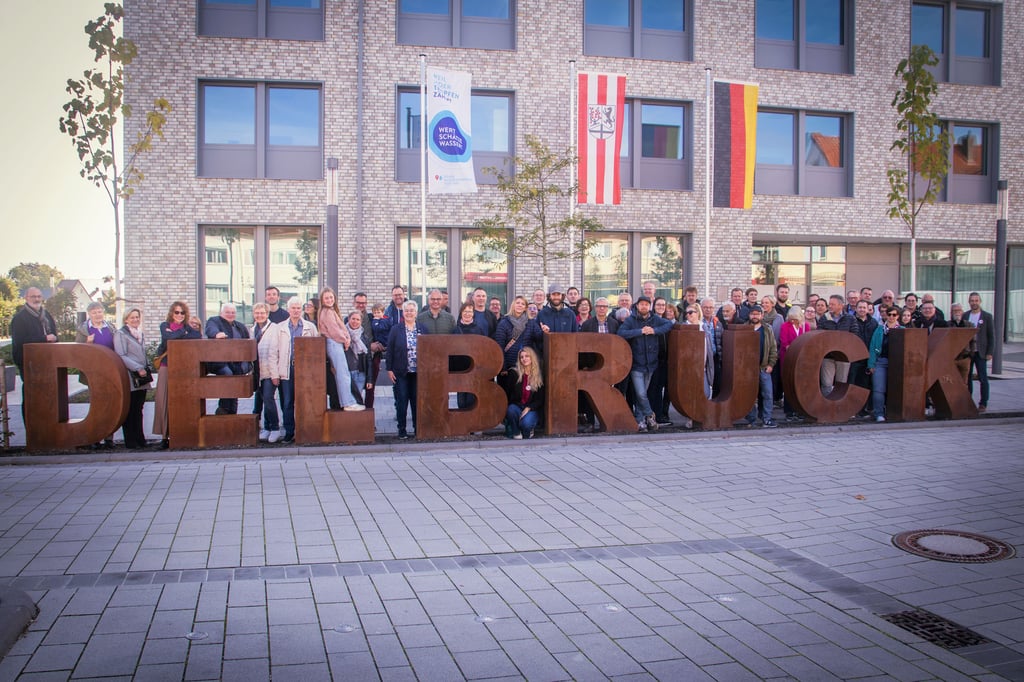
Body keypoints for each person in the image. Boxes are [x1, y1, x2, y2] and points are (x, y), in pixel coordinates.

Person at [618, 295, 674, 431]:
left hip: (651, 363)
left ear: (650, 306)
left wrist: (654, 331)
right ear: (637, 306)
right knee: (641, 394)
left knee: (640, 395)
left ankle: (640, 421)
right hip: (636, 364)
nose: (644, 307)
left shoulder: (655, 319)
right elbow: (621, 332)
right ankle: (650, 415)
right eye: (641, 304)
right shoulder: (631, 320)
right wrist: (640, 331)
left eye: (647, 304)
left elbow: (668, 325)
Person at [152, 301, 202, 449]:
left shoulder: (188, 328)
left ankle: (181, 435)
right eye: (176, 312)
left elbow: (197, 337)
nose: (179, 315)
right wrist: (181, 334)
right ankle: (164, 436)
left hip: (183, 369)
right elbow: (168, 339)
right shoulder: (164, 325)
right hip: (166, 367)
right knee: (163, 400)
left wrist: (178, 334)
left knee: (181, 402)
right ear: (171, 313)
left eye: (182, 313)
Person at [275, 297, 320, 443]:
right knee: (287, 401)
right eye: (293, 308)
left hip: (304, 370)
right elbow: (274, 351)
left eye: (298, 308)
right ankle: (289, 431)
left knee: (305, 400)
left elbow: (316, 350)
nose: (296, 310)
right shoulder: (280, 328)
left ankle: (305, 431)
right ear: (288, 310)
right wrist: (275, 373)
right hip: (287, 368)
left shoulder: (310, 327)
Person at [75, 301, 119, 448]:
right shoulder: (84, 330)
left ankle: (108, 438)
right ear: (89, 314)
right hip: (93, 373)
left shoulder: (111, 328)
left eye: (99, 311)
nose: (97, 315)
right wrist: (87, 343)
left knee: (110, 405)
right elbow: (77, 352)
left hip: (110, 372)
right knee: (96, 406)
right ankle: (94, 437)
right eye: (94, 312)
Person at [10, 287, 58, 418]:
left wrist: (54, 338)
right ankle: (31, 429)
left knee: (47, 396)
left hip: (47, 361)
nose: (37, 299)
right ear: (26, 298)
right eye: (33, 297)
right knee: (32, 397)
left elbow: (54, 334)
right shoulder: (20, 318)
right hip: (29, 363)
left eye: (39, 296)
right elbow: (20, 341)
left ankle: (46, 425)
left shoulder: (46, 315)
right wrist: (44, 338)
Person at [317, 286, 364, 411]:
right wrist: (346, 340)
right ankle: (347, 403)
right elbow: (334, 330)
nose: (329, 300)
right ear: (322, 299)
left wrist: (345, 338)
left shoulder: (331, 311)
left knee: (343, 373)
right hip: (334, 342)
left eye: (331, 297)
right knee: (343, 374)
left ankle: (347, 401)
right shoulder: (327, 313)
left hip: (335, 342)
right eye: (326, 298)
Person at [387, 301, 427, 439]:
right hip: (401, 371)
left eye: (412, 310)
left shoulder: (422, 328)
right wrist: (389, 369)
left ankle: (418, 429)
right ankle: (402, 430)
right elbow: (390, 350)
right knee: (402, 401)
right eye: (407, 310)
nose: (409, 313)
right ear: (403, 313)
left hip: (418, 373)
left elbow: (429, 349)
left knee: (416, 401)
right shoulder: (396, 329)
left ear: (416, 313)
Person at [205, 302, 252, 415]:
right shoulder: (214, 320)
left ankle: (232, 413)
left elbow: (247, 342)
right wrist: (216, 334)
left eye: (233, 312)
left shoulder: (239, 326)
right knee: (227, 375)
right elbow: (210, 329)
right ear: (221, 313)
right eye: (227, 312)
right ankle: (223, 408)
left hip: (236, 362)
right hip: (220, 362)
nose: (230, 314)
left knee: (235, 383)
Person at [113, 308, 150, 448]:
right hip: (131, 375)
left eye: (137, 317)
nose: (135, 320)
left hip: (142, 377)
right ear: (126, 319)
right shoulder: (121, 334)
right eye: (132, 317)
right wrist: (137, 368)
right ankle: (131, 440)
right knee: (130, 408)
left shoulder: (139, 334)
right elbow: (121, 355)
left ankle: (140, 439)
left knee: (139, 408)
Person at [251, 303, 283, 442]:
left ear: (267, 314)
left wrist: (275, 374)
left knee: (269, 398)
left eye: (262, 313)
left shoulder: (274, 328)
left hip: (270, 371)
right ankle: (267, 427)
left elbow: (274, 352)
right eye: (257, 313)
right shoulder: (252, 330)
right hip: (258, 372)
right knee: (261, 399)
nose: (260, 315)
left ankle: (275, 428)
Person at [743, 305, 778, 429]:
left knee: (768, 394)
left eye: (757, 314)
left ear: (762, 315)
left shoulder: (767, 329)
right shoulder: (744, 329)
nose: (755, 316)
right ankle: (751, 419)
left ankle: (766, 418)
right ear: (749, 315)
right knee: (749, 395)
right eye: (752, 314)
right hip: (748, 370)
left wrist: (771, 364)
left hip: (764, 367)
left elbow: (773, 348)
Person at [867, 305, 902, 422]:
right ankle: (879, 413)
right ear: (885, 315)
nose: (891, 317)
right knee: (878, 389)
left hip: (897, 363)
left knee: (896, 389)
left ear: (898, 316)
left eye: (894, 315)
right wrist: (871, 364)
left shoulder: (902, 330)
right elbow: (872, 347)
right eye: (889, 314)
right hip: (881, 361)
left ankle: (895, 413)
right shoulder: (879, 329)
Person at [502, 347, 545, 439]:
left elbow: (540, 399)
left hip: (531, 408)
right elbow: (507, 393)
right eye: (521, 357)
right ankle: (516, 432)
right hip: (517, 406)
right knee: (511, 410)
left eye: (527, 356)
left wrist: (529, 408)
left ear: (532, 358)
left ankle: (528, 429)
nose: (524, 359)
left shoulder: (538, 375)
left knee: (526, 425)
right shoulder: (514, 373)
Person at [494, 296, 544, 373]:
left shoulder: (531, 322)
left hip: (526, 364)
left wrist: (544, 331)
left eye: (523, 304)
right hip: (509, 365)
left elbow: (539, 337)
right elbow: (499, 346)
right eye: (517, 303)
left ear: (525, 308)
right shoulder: (504, 323)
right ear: (513, 305)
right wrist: (503, 367)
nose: (520, 305)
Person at [779, 306, 810, 422]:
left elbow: (807, 341)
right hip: (788, 358)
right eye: (791, 319)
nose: (793, 321)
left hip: (801, 360)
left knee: (799, 386)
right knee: (789, 385)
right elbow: (784, 342)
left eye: (795, 319)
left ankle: (799, 410)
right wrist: (793, 349)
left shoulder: (805, 327)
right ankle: (789, 411)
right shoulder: (785, 326)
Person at [967, 292, 994, 412]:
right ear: (969, 302)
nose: (974, 303)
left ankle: (983, 403)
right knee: (967, 378)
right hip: (969, 352)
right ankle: (968, 401)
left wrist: (990, 352)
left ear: (980, 301)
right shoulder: (965, 315)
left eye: (976, 300)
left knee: (983, 378)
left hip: (981, 352)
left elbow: (991, 336)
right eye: (972, 301)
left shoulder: (987, 316)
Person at [367, 302, 392, 409]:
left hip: (385, 343)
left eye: (378, 312)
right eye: (375, 313)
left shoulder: (385, 320)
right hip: (378, 345)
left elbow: (378, 328)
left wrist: (376, 321)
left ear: (383, 312)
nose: (376, 314)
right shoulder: (376, 320)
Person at [346, 309, 370, 403]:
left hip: (360, 373)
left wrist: (370, 379)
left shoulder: (364, 337)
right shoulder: (342, 334)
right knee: (348, 401)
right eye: (353, 319)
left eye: (358, 319)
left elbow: (369, 360)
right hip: (347, 372)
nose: (355, 321)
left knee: (357, 400)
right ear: (348, 319)